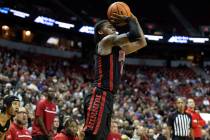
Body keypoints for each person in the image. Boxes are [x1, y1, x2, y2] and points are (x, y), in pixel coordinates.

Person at [83, 11, 147, 140]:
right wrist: (130, 18)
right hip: (100, 94)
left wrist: (134, 18)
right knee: (93, 135)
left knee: (102, 136)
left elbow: (142, 41)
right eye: (108, 26)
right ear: (101, 32)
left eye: (113, 26)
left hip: (109, 96)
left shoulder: (119, 47)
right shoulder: (106, 41)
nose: (113, 27)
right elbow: (134, 35)